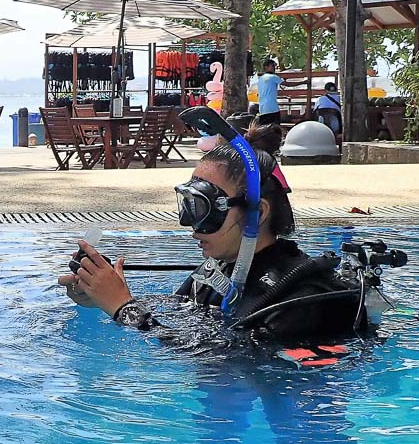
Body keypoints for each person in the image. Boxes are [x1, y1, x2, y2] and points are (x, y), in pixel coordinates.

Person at [58, 123, 368, 343]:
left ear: (257, 213)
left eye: (205, 207)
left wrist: (123, 308)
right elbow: (179, 316)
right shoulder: (220, 267)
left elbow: (225, 359)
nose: (190, 223)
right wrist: (102, 295)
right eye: (188, 204)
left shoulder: (300, 298)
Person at [256, 59, 283, 125]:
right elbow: (287, 84)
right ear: (266, 67)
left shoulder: (261, 78)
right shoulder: (273, 77)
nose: (274, 68)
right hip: (272, 108)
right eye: (272, 66)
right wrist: (303, 82)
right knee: (275, 129)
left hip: (262, 109)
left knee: (264, 130)